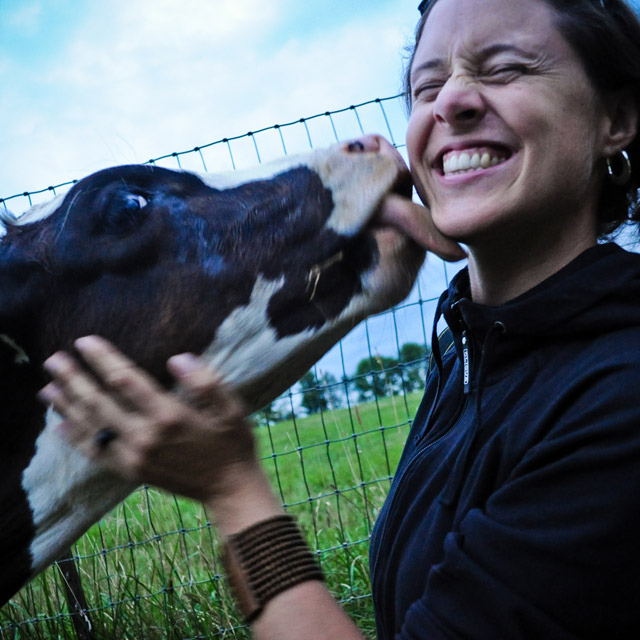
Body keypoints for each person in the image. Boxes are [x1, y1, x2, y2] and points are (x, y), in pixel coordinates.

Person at [38, 0, 640, 637]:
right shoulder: (477, 343)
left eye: (506, 69)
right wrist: (343, 241)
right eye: (427, 86)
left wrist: (231, 488)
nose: (451, 104)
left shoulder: (619, 398)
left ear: (618, 118)